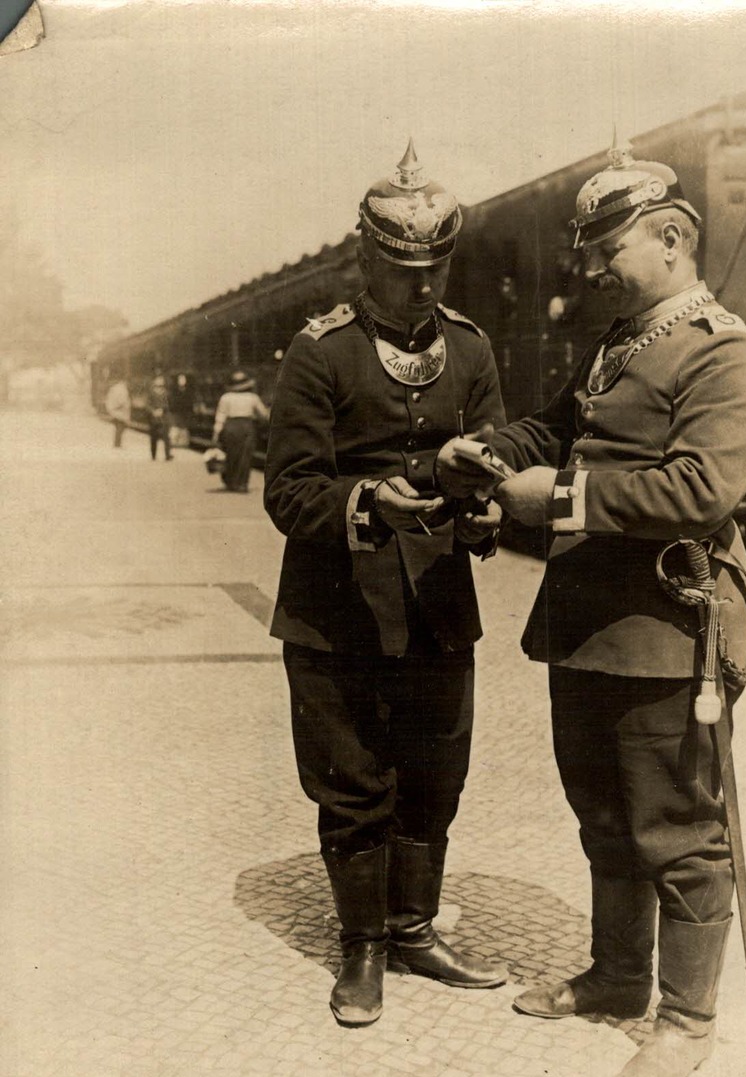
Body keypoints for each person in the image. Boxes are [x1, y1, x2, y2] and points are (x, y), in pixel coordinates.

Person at [436, 140, 746, 1077]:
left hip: (669, 627)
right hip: (586, 623)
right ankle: (617, 976)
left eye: (607, 248)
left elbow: (700, 489)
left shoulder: (723, 350)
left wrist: (555, 501)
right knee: (603, 818)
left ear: (671, 238)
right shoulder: (616, 342)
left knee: (675, 829)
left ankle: (684, 1023)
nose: (590, 267)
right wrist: (489, 450)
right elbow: (556, 426)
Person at [264, 141, 509, 1027]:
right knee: (353, 778)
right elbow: (287, 491)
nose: (421, 283)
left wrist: (486, 516)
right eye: (403, 265)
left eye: (435, 264)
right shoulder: (319, 352)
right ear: (362, 257)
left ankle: (414, 930)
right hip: (337, 613)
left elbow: (493, 456)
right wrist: (369, 499)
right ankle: (361, 948)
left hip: (439, 604)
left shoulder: (472, 350)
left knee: (435, 773)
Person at [211, 371, 269, 492]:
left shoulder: (225, 397)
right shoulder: (253, 397)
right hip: (247, 427)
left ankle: (231, 482)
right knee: (245, 455)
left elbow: (220, 417)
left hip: (230, 427)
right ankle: (242, 483)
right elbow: (263, 415)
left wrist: (216, 434)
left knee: (231, 454)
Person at [145, 374, 173, 461]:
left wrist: (162, 410)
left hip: (164, 418)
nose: (160, 382)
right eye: (158, 380)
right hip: (154, 418)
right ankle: (153, 455)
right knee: (153, 437)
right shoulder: (151, 393)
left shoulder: (166, 393)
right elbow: (147, 405)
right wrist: (153, 411)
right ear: (155, 382)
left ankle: (167, 455)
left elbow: (169, 405)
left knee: (166, 437)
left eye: (161, 380)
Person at [104, 377, 131, 448]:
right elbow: (123, 400)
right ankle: (117, 444)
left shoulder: (115, 388)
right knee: (120, 427)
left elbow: (109, 398)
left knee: (119, 426)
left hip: (114, 410)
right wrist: (125, 405)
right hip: (120, 411)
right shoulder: (122, 389)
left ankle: (117, 443)